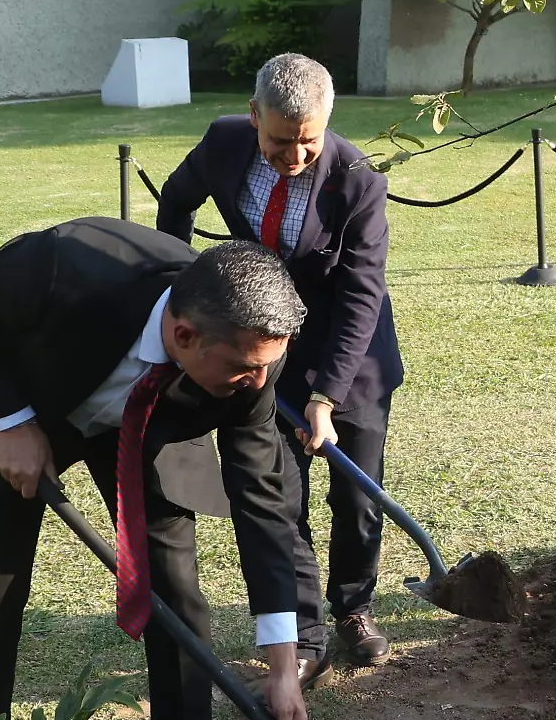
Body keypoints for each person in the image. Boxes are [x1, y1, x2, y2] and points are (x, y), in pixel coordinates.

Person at [0, 224, 310, 720]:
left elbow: (263, 503)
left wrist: (281, 659)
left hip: (148, 426)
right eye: (246, 369)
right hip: (27, 405)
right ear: (185, 335)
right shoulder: (67, 269)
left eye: (267, 366)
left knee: (177, 596)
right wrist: (12, 421)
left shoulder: (251, 349)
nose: (259, 380)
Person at [159, 54, 405, 685]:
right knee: (279, 494)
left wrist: (326, 396)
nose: (293, 157)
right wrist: (186, 290)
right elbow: (177, 201)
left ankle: (354, 608)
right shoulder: (223, 142)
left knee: (356, 495)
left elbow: (361, 296)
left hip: (350, 355)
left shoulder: (357, 183)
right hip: (264, 351)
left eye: (307, 141)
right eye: (278, 141)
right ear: (252, 116)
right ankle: (304, 629)